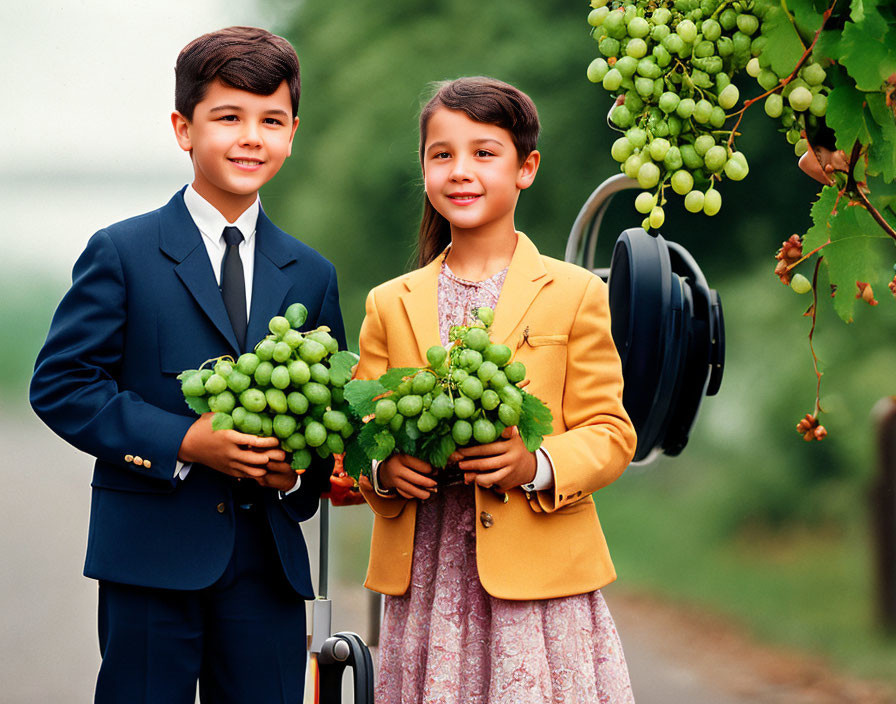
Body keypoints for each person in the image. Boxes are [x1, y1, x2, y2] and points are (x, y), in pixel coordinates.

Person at [29, 26, 345, 704]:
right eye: (228, 117)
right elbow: (61, 384)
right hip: (148, 561)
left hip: (268, 570)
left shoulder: (312, 274)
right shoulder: (122, 252)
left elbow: (330, 412)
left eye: (271, 120)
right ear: (183, 128)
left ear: (293, 134)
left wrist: (298, 477)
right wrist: (182, 441)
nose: (250, 137)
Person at [354, 76, 638, 703]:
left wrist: (534, 464)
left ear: (525, 168)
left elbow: (611, 433)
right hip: (428, 582)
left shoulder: (575, 293)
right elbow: (360, 429)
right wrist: (383, 467)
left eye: (485, 153)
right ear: (424, 168)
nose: (461, 171)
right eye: (442, 154)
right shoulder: (388, 303)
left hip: (541, 586)